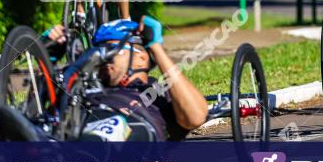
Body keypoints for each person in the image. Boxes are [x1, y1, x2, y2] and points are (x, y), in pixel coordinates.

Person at [44, 17, 209, 141]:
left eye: (112, 49)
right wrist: (46, 56)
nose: (102, 58)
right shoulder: (83, 84)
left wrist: (156, 48)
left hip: (125, 135)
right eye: (99, 50)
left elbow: (195, 117)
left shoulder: (158, 90)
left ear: (141, 58)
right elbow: (38, 108)